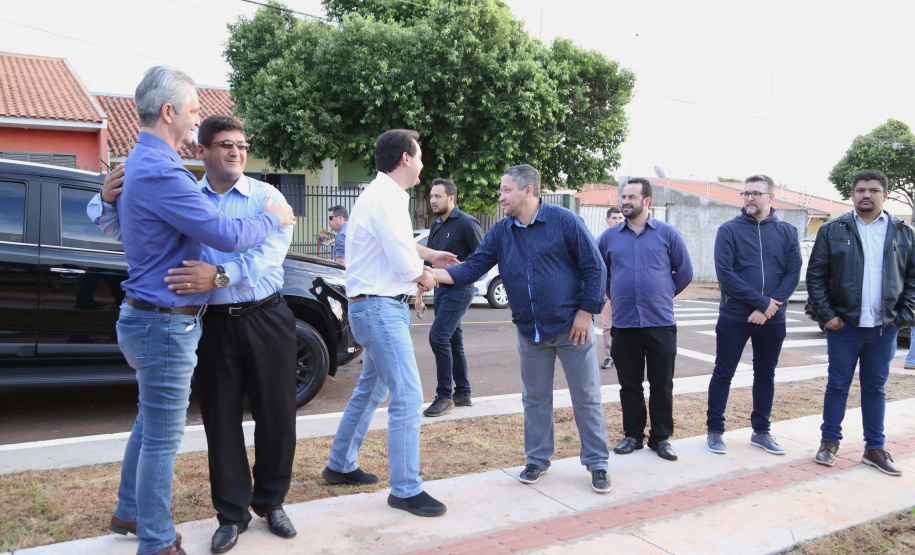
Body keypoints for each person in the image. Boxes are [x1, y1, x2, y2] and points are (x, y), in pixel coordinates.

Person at [90, 66, 294, 555]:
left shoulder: (143, 165)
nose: (236, 151)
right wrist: (272, 220)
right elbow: (223, 236)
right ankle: (159, 541)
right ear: (170, 113)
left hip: (232, 315)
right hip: (170, 322)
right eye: (195, 112)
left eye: (241, 145)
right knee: (167, 436)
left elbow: (259, 256)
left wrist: (222, 273)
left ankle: (132, 510)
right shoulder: (167, 174)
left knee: (159, 421)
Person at [431, 164, 612, 494]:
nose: (500, 197)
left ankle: (597, 463)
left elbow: (594, 266)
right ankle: (537, 459)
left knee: (586, 397)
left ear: (528, 191)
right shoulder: (502, 232)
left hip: (573, 328)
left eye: (506, 191)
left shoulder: (565, 222)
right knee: (535, 398)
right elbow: (473, 267)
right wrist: (433, 276)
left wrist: (587, 312)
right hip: (531, 331)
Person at [322, 129, 456, 517]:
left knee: (370, 390)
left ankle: (339, 465)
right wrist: (427, 275)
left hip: (374, 308)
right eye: (419, 156)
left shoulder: (381, 195)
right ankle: (405, 489)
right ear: (404, 159)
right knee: (410, 397)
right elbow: (402, 261)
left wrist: (431, 255)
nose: (423, 163)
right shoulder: (385, 198)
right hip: (381, 309)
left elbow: (398, 244)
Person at [807, 169, 915, 476]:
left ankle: (874, 449)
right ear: (852, 194)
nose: (866, 194)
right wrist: (828, 316)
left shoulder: (902, 232)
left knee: (875, 389)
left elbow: (912, 279)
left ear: (885, 194)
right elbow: (816, 276)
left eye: (873, 190)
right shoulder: (833, 229)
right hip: (845, 327)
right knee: (837, 385)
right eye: (860, 190)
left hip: (884, 328)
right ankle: (829, 443)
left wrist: (902, 319)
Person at [705, 175, 801, 456]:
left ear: (771, 197)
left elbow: (792, 273)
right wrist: (762, 303)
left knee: (765, 374)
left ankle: (761, 432)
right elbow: (726, 275)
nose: (749, 198)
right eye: (745, 193)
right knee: (723, 372)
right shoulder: (728, 230)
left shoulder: (787, 232)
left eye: (756, 193)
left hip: (773, 318)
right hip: (735, 315)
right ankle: (715, 431)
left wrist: (771, 307)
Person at [598, 178, 693, 462]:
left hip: (660, 323)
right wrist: (614, 292)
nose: (625, 201)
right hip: (624, 323)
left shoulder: (667, 234)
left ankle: (661, 438)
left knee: (662, 384)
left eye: (631, 197)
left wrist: (662, 293)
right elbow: (600, 272)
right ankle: (633, 436)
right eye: (623, 196)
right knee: (629, 384)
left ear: (647, 201)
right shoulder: (608, 238)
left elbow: (684, 272)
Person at [422, 178, 484, 417]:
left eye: (438, 196)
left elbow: (482, 259)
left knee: (438, 337)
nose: (432, 200)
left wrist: (462, 272)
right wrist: (420, 292)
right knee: (453, 341)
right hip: (440, 289)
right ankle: (463, 393)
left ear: (451, 198)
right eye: (431, 196)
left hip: (460, 289)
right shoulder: (437, 224)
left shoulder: (467, 223)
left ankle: (445, 395)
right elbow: (429, 262)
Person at [599, 207, 624, 370]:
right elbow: (597, 268)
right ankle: (610, 356)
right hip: (609, 293)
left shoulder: (629, 239)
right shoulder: (601, 240)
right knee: (608, 326)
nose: (618, 221)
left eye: (620, 218)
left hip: (626, 294)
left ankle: (627, 356)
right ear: (607, 220)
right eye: (614, 218)